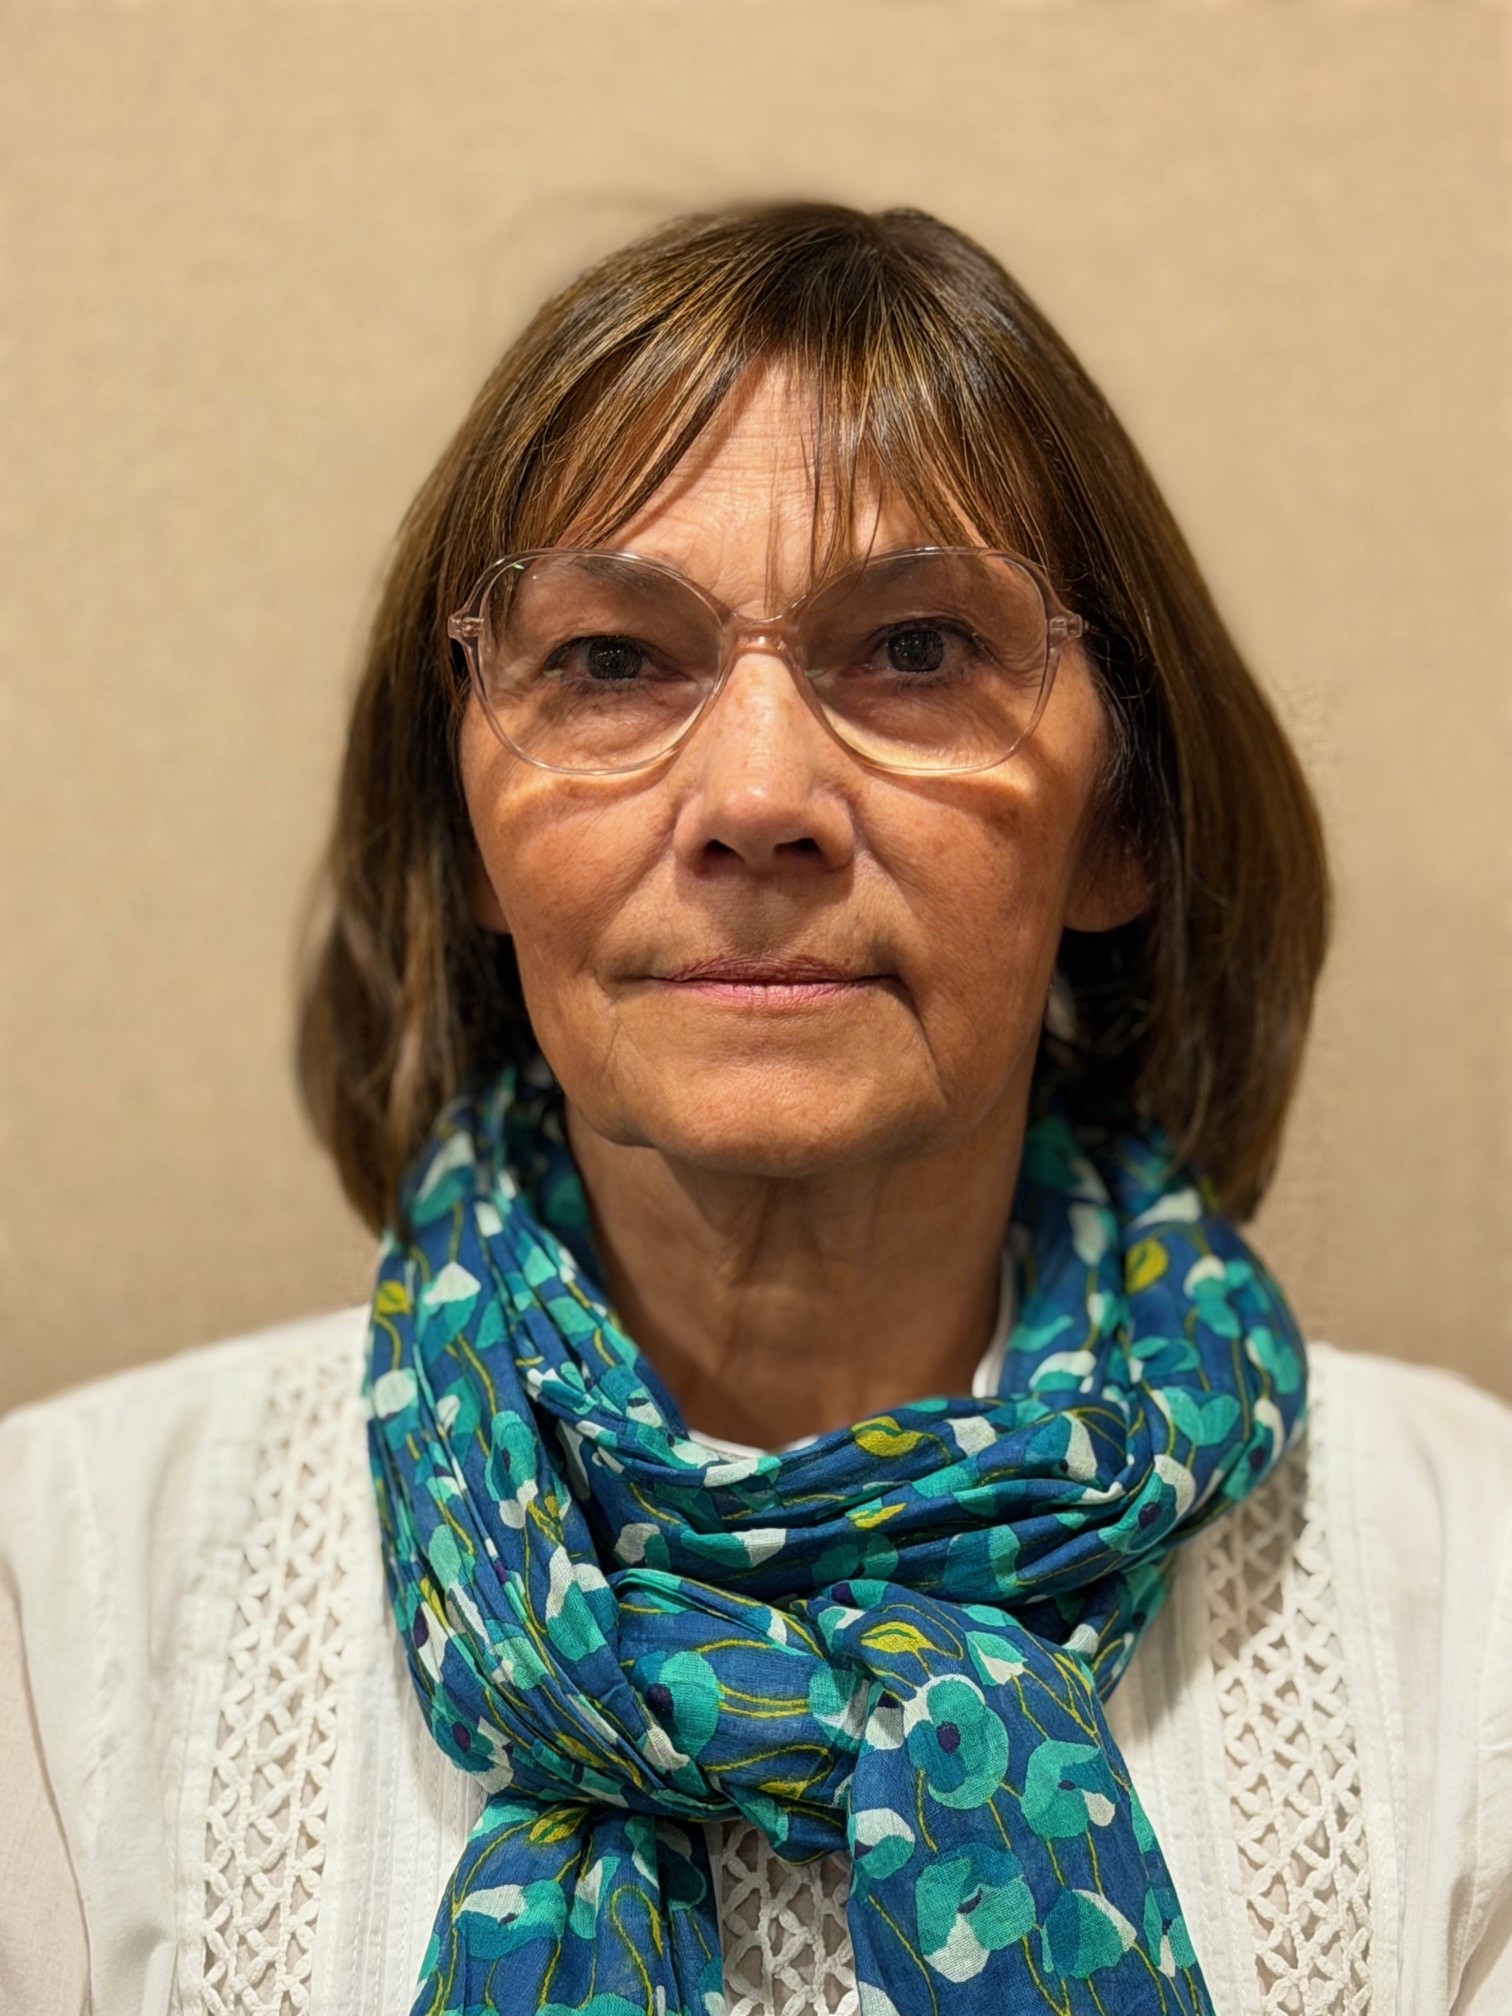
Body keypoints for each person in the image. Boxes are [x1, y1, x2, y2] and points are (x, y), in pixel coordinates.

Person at [2, 199, 1509, 2016]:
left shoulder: (1474, 1596)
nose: (759, 796)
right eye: (611, 660)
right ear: (464, 833)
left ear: (1124, 820)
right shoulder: (61, 1601)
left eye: (920, 650)